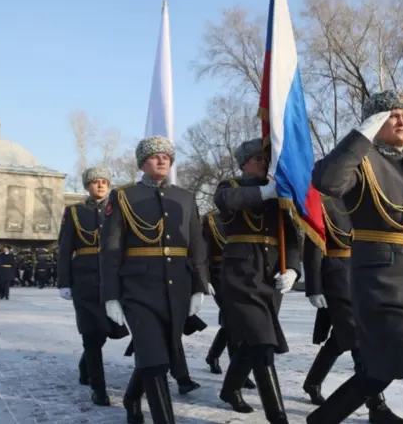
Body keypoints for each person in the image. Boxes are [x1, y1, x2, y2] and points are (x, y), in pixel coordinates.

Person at [307, 90, 403, 424]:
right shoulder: (362, 161)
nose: (401, 120)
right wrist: (361, 136)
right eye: (392, 114)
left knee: (380, 371)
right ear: (375, 122)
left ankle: (320, 420)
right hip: (379, 287)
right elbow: (326, 181)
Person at [100, 135, 209, 424]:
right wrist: (110, 294)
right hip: (137, 288)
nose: (162, 159)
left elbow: (196, 245)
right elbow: (110, 249)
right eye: (155, 155)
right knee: (156, 361)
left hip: (177, 288)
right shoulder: (122, 197)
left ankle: (131, 397)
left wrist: (199, 285)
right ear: (142, 162)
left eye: (167, 156)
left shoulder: (184, 197)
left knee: (158, 354)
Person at [213, 138, 300, 424]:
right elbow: (226, 202)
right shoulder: (231, 186)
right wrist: (266, 191)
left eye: (267, 158)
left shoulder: (281, 194)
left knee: (253, 343)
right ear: (244, 163)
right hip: (241, 275)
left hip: (272, 273)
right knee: (263, 344)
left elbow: (293, 236)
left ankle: (229, 389)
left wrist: (294, 270)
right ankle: (278, 417)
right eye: (259, 159)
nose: (265, 163)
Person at [303, 196, 403, 423]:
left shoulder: (365, 201)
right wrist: (314, 286)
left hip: (363, 277)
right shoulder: (325, 204)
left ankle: (312, 382)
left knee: (339, 340)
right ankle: (376, 406)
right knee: (361, 342)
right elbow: (313, 243)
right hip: (336, 279)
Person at [58, 167, 130, 406]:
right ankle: (99, 389)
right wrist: (64, 282)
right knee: (90, 334)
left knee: (103, 333)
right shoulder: (75, 212)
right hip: (85, 282)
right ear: (87, 186)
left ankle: (84, 366)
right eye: (95, 182)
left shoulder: (119, 208)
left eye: (104, 181)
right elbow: (65, 249)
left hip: (113, 280)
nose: (100, 185)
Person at [202, 210, 256, 388]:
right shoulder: (211, 220)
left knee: (235, 320)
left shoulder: (245, 216)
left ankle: (213, 355)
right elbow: (203, 250)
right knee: (233, 320)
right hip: (218, 273)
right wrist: (205, 278)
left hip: (243, 273)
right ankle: (237, 371)